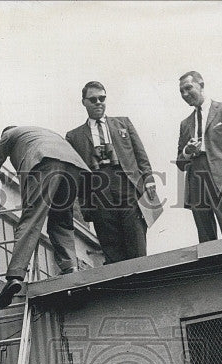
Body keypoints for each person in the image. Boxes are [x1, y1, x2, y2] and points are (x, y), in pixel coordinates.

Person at [0, 125, 90, 308]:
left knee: (31, 219)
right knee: (61, 222)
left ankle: (15, 276)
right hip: (74, 166)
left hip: (44, 160)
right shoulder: (40, 132)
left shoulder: (9, 134)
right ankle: (70, 268)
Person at [65, 81, 158, 264]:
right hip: (97, 188)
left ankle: (141, 280)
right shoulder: (74, 136)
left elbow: (140, 153)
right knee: (110, 241)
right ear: (84, 102)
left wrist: (149, 178)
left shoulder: (123, 123)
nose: (98, 102)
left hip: (126, 182)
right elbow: (73, 173)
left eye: (102, 98)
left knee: (136, 237)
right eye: (93, 99)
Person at [176, 70, 222, 242]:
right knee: (206, 238)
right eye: (181, 92)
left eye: (188, 88)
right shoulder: (185, 124)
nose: (185, 94)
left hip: (221, 178)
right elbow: (179, 162)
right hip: (195, 179)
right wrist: (187, 151)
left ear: (201, 85)